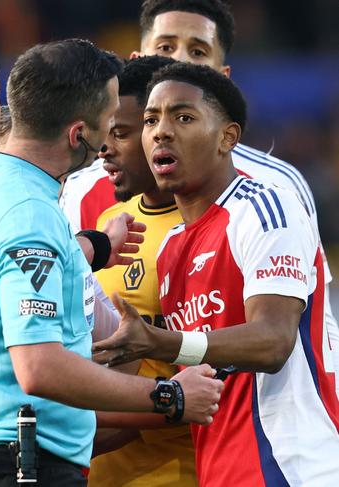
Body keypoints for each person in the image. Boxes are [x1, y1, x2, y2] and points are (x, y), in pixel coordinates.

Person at [0, 39, 223, 486]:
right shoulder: (29, 214)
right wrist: (169, 394)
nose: (109, 140)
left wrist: (92, 249)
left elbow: (12, 267)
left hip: (0, 457)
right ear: (78, 134)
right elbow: (40, 367)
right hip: (24, 467)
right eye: (109, 123)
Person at [60, 0, 339, 395]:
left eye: (197, 52)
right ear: (137, 59)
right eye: (166, 47)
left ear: (222, 75)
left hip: (246, 434)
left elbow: (309, 325)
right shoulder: (85, 187)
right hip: (134, 438)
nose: (176, 62)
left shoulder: (273, 186)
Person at [93, 62, 339, 486]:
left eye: (183, 117)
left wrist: (158, 342)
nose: (162, 131)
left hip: (290, 466)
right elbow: (197, 381)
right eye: (152, 120)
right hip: (220, 471)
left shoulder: (264, 208)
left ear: (228, 137)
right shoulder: (170, 247)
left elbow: (274, 341)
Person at [84, 55, 201, 487]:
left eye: (121, 133)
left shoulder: (208, 231)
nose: (105, 148)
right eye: (104, 132)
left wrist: (67, 438)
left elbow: (206, 386)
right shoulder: (110, 224)